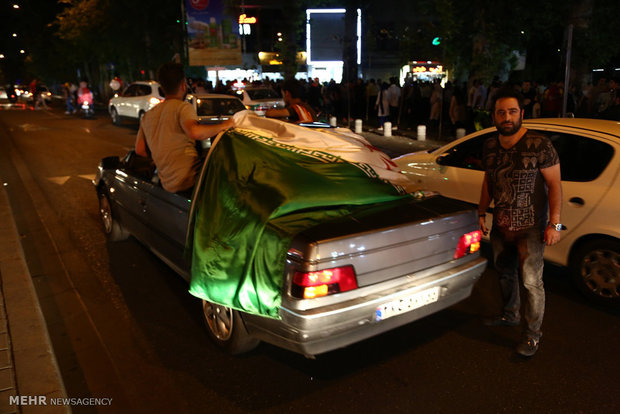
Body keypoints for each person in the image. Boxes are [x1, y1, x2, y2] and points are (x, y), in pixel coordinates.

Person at [478, 88, 562, 357]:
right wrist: (481, 213)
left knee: (531, 283)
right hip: (502, 227)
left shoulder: (540, 145)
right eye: (501, 112)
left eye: (512, 111)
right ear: (494, 116)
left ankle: (531, 335)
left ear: (521, 114)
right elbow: (488, 181)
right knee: (504, 274)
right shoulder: (490, 146)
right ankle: (509, 314)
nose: (507, 117)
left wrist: (555, 224)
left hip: (531, 229)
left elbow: (555, 185)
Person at [135, 62, 234, 195]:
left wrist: (162, 155)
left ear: (162, 88)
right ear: (183, 85)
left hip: (168, 186)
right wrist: (226, 124)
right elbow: (194, 132)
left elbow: (140, 149)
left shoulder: (147, 116)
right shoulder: (182, 107)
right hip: (191, 183)